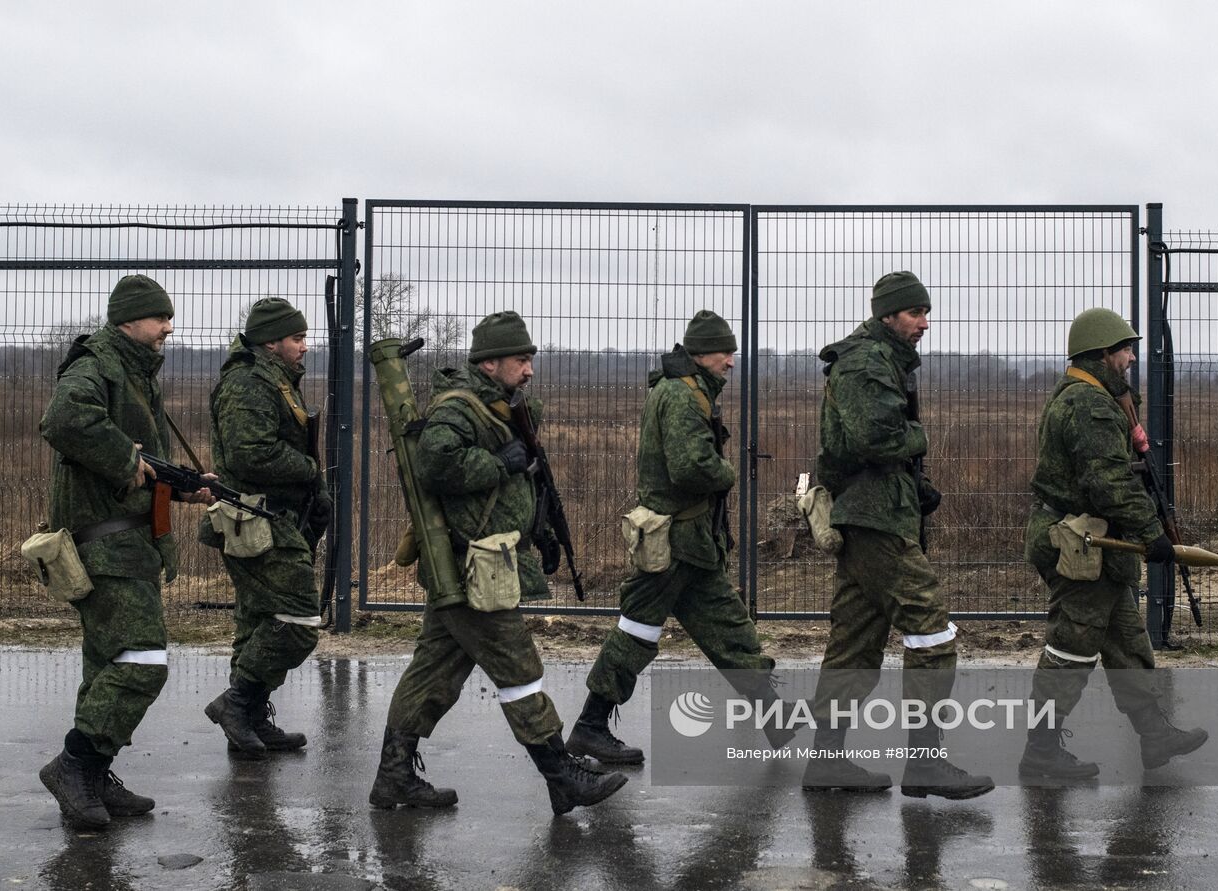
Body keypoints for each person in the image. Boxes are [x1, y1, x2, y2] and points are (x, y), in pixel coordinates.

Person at [369, 311, 627, 815]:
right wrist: (495, 464)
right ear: (489, 364)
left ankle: (394, 778)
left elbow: (524, 481)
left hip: (488, 562)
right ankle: (561, 774)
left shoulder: (505, 407)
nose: (529, 369)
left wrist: (543, 531)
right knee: (519, 669)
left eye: (530, 359)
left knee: (432, 674)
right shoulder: (460, 409)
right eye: (520, 359)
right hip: (473, 569)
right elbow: (434, 464)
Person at [569, 310, 790, 765]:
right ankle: (590, 728)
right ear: (702, 354)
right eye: (725, 352)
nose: (731, 361)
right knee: (638, 630)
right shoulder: (683, 397)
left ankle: (774, 716)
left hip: (692, 542)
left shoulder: (685, 391)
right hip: (675, 541)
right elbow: (691, 468)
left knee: (726, 623)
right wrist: (728, 472)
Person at [803, 271, 993, 798]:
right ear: (889, 314)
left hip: (877, 510)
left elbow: (884, 443)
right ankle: (925, 761)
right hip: (875, 518)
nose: (924, 324)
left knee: (855, 643)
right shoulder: (866, 361)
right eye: (915, 313)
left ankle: (826, 761)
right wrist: (920, 437)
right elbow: (877, 437)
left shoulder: (884, 359)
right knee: (931, 631)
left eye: (926, 313)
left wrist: (918, 484)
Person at [38, 274, 214, 829]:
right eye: (160, 318)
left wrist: (185, 486)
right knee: (143, 661)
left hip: (129, 539)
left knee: (108, 665)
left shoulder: (136, 374)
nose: (168, 327)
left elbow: (146, 466)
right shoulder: (99, 364)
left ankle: (93, 778)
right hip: (105, 541)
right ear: (128, 320)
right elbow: (65, 421)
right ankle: (74, 765)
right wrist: (124, 458)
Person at [1018, 308, 1207, 780]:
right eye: (1124, 351)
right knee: (1071, 646)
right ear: (1102, 354)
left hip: (1100, 545)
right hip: (1080, 543)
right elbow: (1107, 481)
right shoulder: (1089, 405)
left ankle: (1155, 735)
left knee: (1126, 641)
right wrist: (1152, 533)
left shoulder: (1097, 397)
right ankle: (1041, 751)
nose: (1129, 359)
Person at [200, 298, 330, 758]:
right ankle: (237, 705)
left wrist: (316, 494)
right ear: (271, 342)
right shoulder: (250, 383)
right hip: (255, 517)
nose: (304, 346)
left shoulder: (276, 381)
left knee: (257, 619)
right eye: (297, 338)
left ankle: (249, 720)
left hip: (274, 516)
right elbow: (248, 454)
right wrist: (310, 470)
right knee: (297, 618)